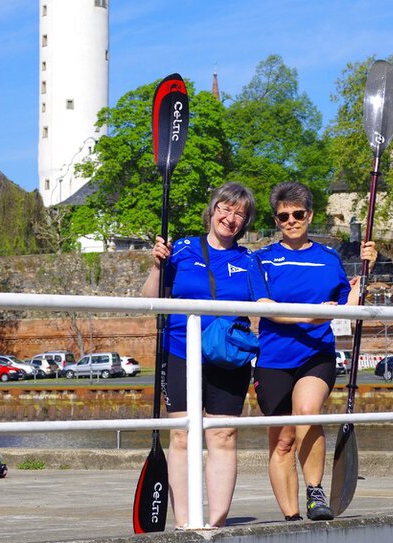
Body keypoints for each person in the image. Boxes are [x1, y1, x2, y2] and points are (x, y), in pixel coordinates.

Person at [249, 181, 376, 522]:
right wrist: (310, 314)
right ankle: (291, 519)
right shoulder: (260, 259)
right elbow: (266, 308)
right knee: (282, 439)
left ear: (310, 215)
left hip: (315, 353)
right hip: (273, 358)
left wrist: (366, 272)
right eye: (283, 216)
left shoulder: (329, 258)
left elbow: (349, 305)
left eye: (298, 214)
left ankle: (315, 493)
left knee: (307, 413)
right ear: (276, 220)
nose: (291, 221)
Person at [141, 182, 256, 529]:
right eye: (225, 208)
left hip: (229, 356)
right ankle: (184, 523)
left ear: (245, 222)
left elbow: (269, 303)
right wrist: (157, 266)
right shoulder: (181, 249)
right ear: (212, 209)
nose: (230, 218)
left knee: (223, 435)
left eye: (239, 213)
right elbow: (150, 300)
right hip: (180, 350)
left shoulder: (249, 260)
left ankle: (216, 524)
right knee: (181, 435)